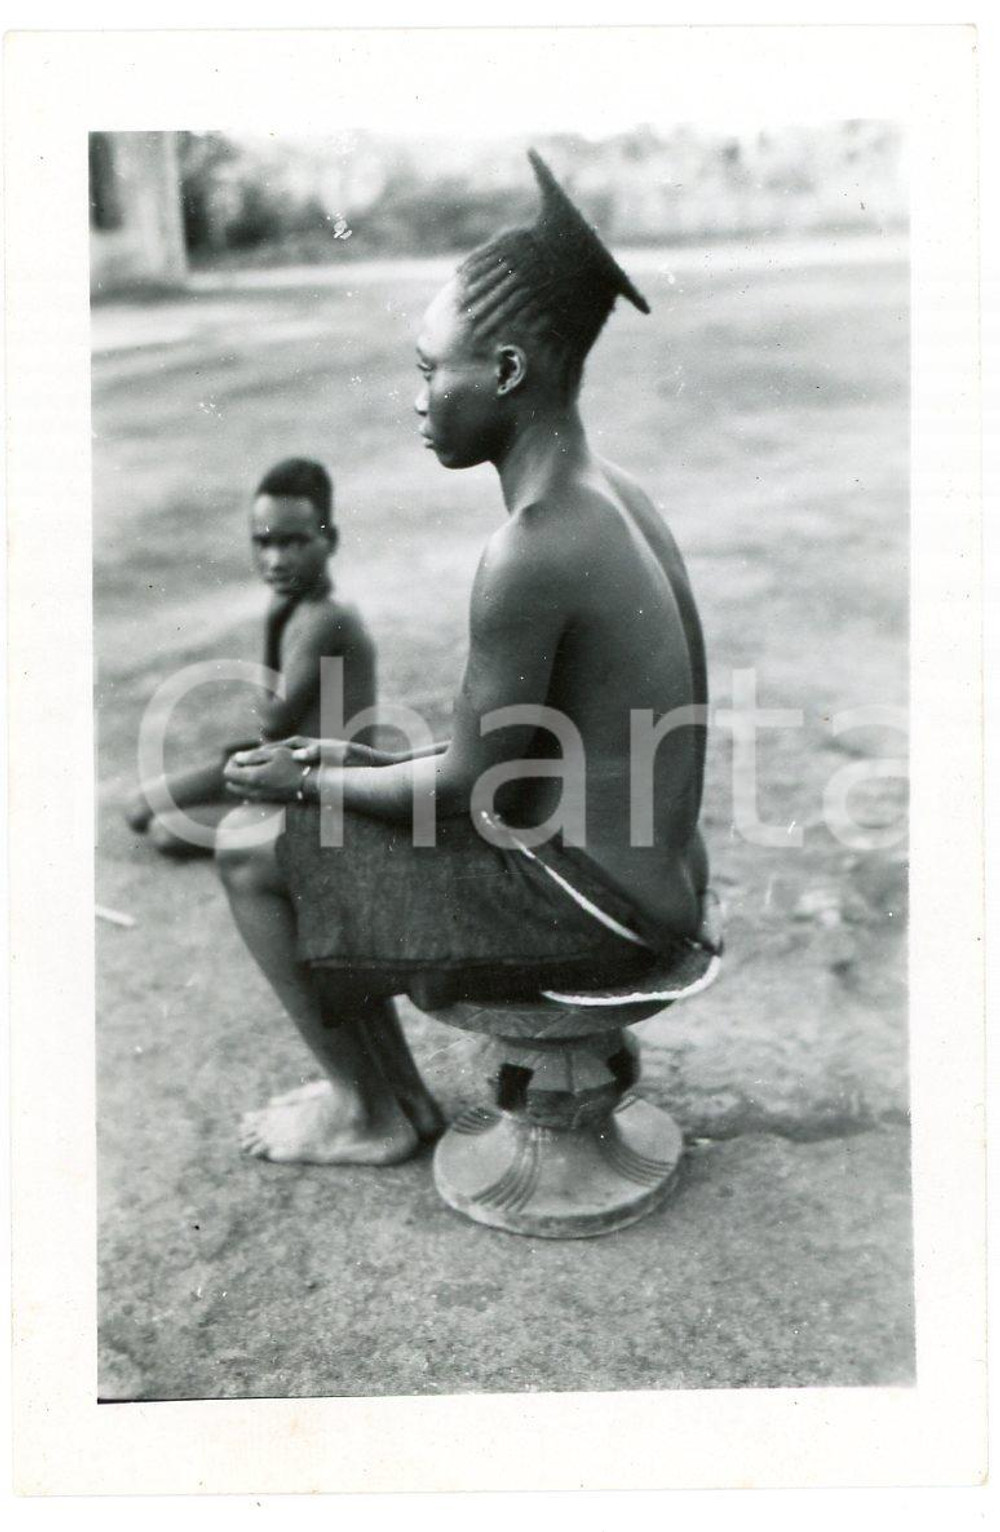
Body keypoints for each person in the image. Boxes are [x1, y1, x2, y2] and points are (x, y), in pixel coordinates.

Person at [216, 151, 719, 1167]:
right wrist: (336, 768)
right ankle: (392, 1097)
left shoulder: (532, 544)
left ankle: (374, 1110)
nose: (415, 398)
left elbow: (465, 780)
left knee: (247, 843)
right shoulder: (610, 489)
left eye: (424, 369)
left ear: (503, 371)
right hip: (655, 873)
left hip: (595, 906)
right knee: (312, 810)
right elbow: (519, 755)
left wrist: (314, 772)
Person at [125, 457, 376, 857]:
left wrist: (275, 628)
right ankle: (247, 809)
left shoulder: (328, 618)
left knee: (164, 832)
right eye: (264, 542)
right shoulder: (290, 602)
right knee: (138, 807)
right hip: (281, 759)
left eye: (293, 542)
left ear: (330, 541)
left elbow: (273, 718)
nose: (276, 560)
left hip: (323, 787)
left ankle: (257, 822)